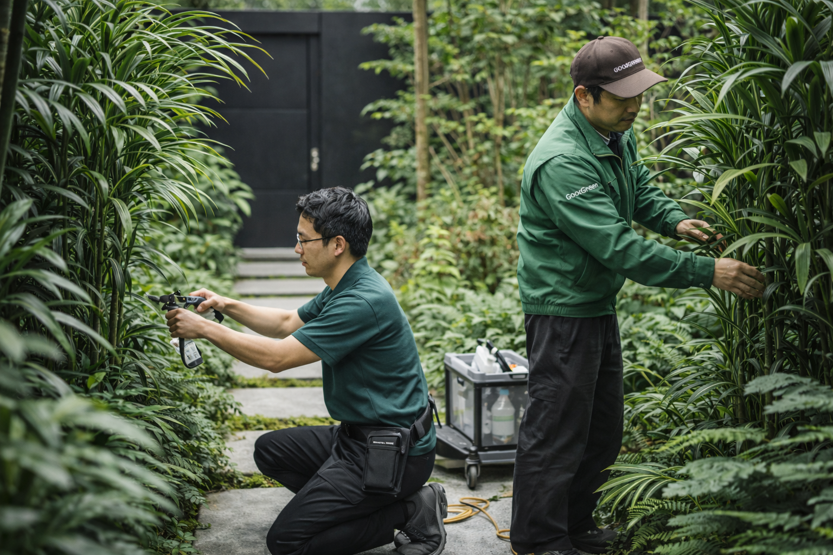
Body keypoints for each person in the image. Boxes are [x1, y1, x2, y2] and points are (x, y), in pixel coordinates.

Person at [511, 36, 765, 555]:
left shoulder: (611, 133)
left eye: (639, 94)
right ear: (584, 96)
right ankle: (538, 539)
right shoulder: (562, 161)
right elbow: (619, 248)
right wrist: (707, 271)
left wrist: (674, 220)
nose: (635, 106)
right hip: (562, 311)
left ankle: (575, 526)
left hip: (594, 303)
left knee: (600, 428)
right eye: (623, 97)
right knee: (557, 428)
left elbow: (639, 186)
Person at [165, 187, 448, 555]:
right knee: (270, 451)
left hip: (393, 453)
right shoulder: (346, 284)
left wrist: (204, 329)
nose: (296, 249)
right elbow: (285, 323)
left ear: (337, 245)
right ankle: (354, 502)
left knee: (287, 542)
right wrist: (224, 304)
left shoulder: (361, 301)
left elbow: (277, 358)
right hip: (357, 437)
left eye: (304, 240)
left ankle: (410, 511)